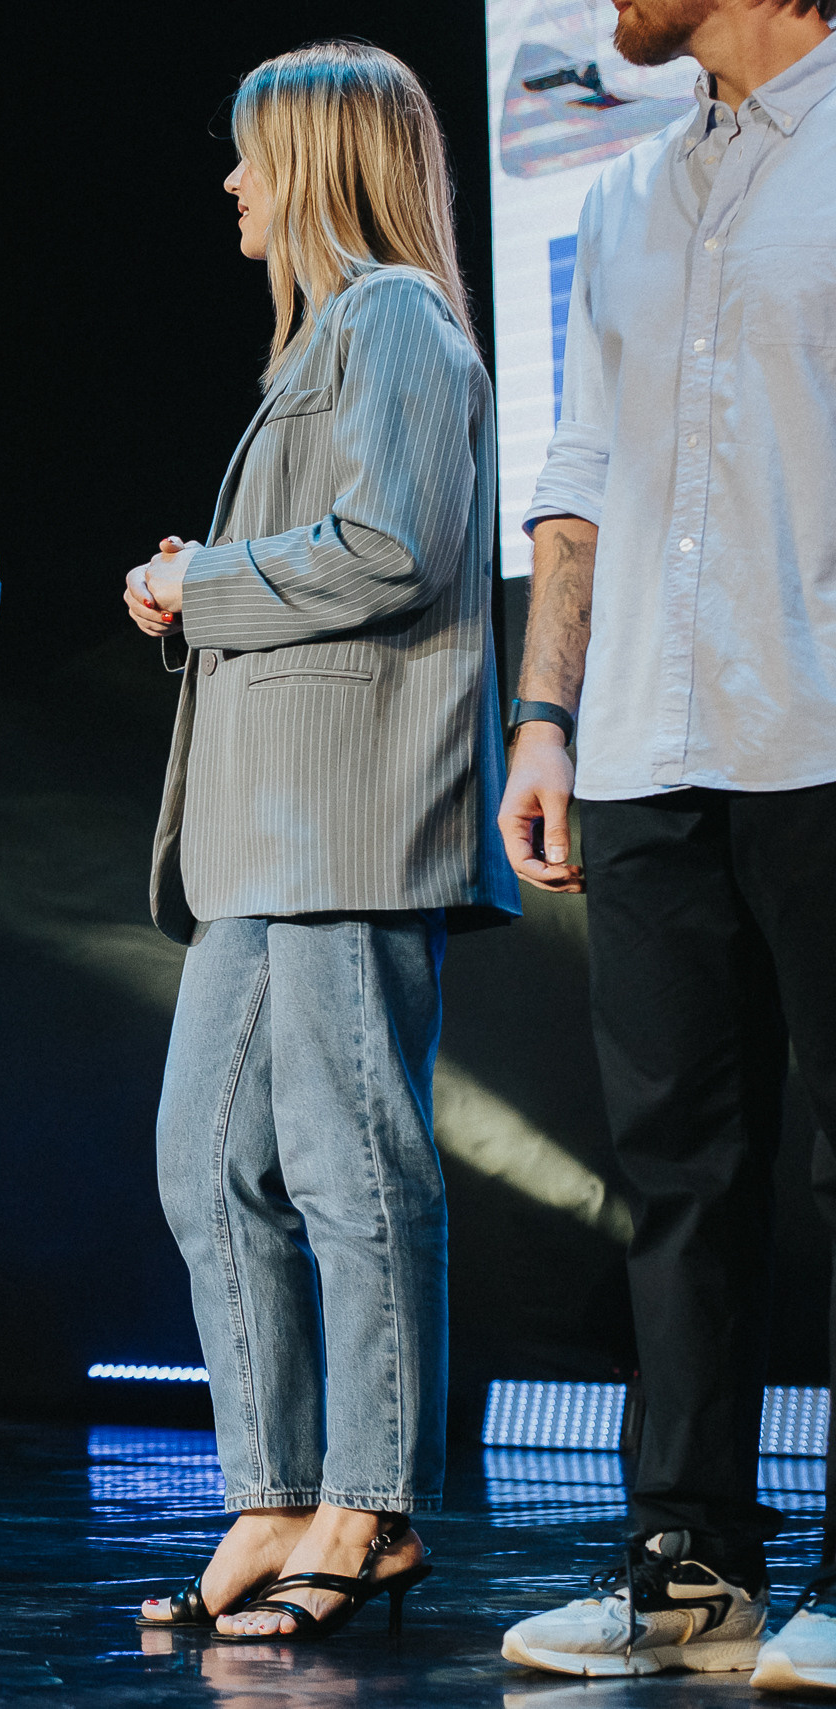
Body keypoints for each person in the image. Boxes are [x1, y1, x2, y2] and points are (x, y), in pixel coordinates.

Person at [121, 41, 517, 1642]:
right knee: (207, 1162)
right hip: (264, 842)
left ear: (320, 164)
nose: (231, 183)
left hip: (348, 822)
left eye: (250, 154)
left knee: (354, 1168)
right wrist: (207, 576)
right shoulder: (329, 341)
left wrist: (204, 580)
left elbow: (393, 548)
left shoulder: (396, 319)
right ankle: (276, 1493)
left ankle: (374, 1501)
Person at [495, 0, 836, 1686]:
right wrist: (546, 715)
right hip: (644, 739)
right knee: (680, 1174)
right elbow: (580, 470)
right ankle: (691, 1564)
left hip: (821, 728)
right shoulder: (629, 192)